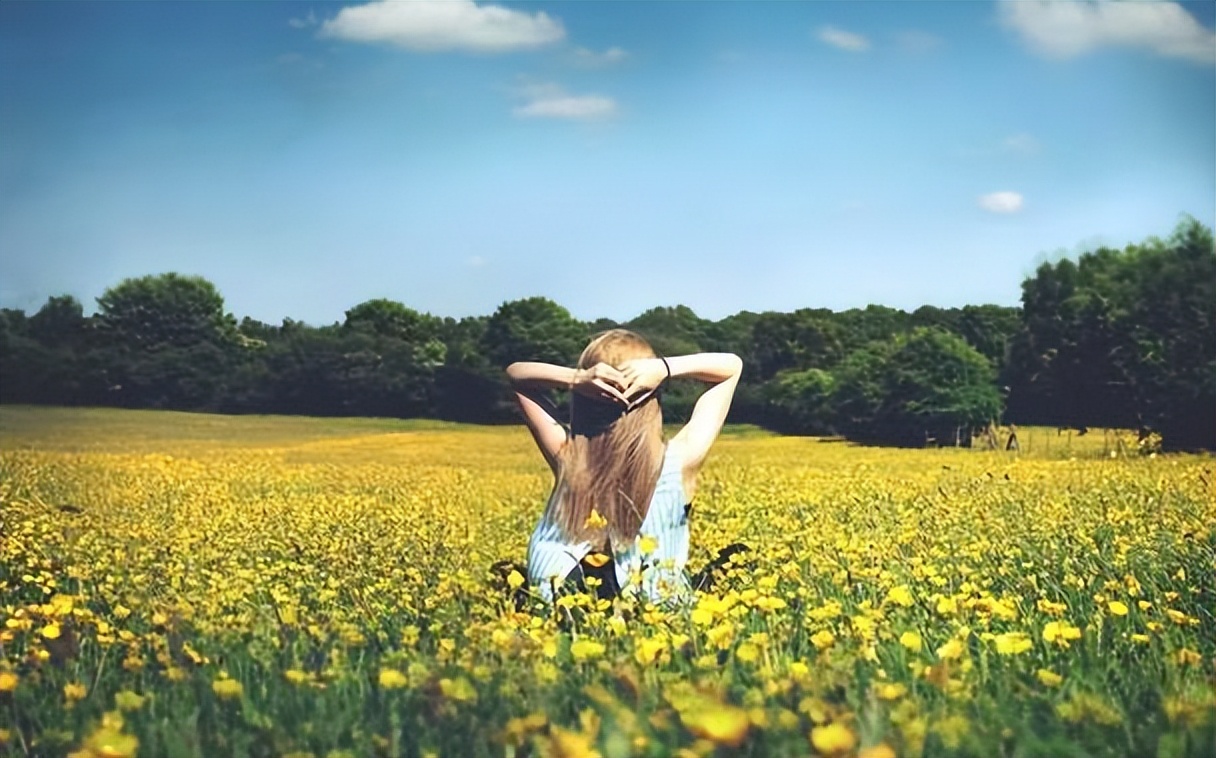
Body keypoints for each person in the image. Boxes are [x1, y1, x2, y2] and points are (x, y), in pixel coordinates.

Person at [505, 329, 743, 607]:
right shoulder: (680, 460)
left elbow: (516, 375)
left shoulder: (568, 454)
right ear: (653, 396)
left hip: (559, 604)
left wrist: (578, 378)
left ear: (583, 399)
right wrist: (664, 369)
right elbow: (731, 367)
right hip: (650, 608)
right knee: (736, 558)